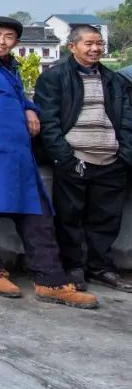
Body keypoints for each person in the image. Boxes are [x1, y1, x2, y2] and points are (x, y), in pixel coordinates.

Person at [0, 16, 97, 308]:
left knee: (38, 217)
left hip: (17, 156)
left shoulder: (9, 66)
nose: (2, 41)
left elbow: (16, 97)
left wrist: (29, 109)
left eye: (9, 37)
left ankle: (51, 280)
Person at [33, 24, 132, 292]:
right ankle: (74, 267)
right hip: (74, 159)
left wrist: (124, 155)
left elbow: (127, 120)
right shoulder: (54, 78)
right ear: (72, 46)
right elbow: (48, 121)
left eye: (99, 43)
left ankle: (101, 268)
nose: (95, 48)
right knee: (69, 217)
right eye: (88, 43)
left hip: (111, 160)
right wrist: (64, 157)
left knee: (106, 218)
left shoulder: (115, 80)